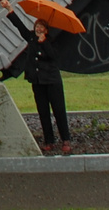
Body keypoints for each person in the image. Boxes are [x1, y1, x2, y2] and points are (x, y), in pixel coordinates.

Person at [6, 11, 71, 155]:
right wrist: (10, 11)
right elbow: (20, 27)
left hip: (52, 81)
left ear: (46, 30)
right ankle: (49, 140)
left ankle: (65, 139)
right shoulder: (31, 39)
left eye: (41, 27)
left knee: (59, 110)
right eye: (37, 26)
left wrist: (45, 42)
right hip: (38, 81)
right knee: (43, 112)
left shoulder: (52, 42)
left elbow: (53, 56)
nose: (38, 29)